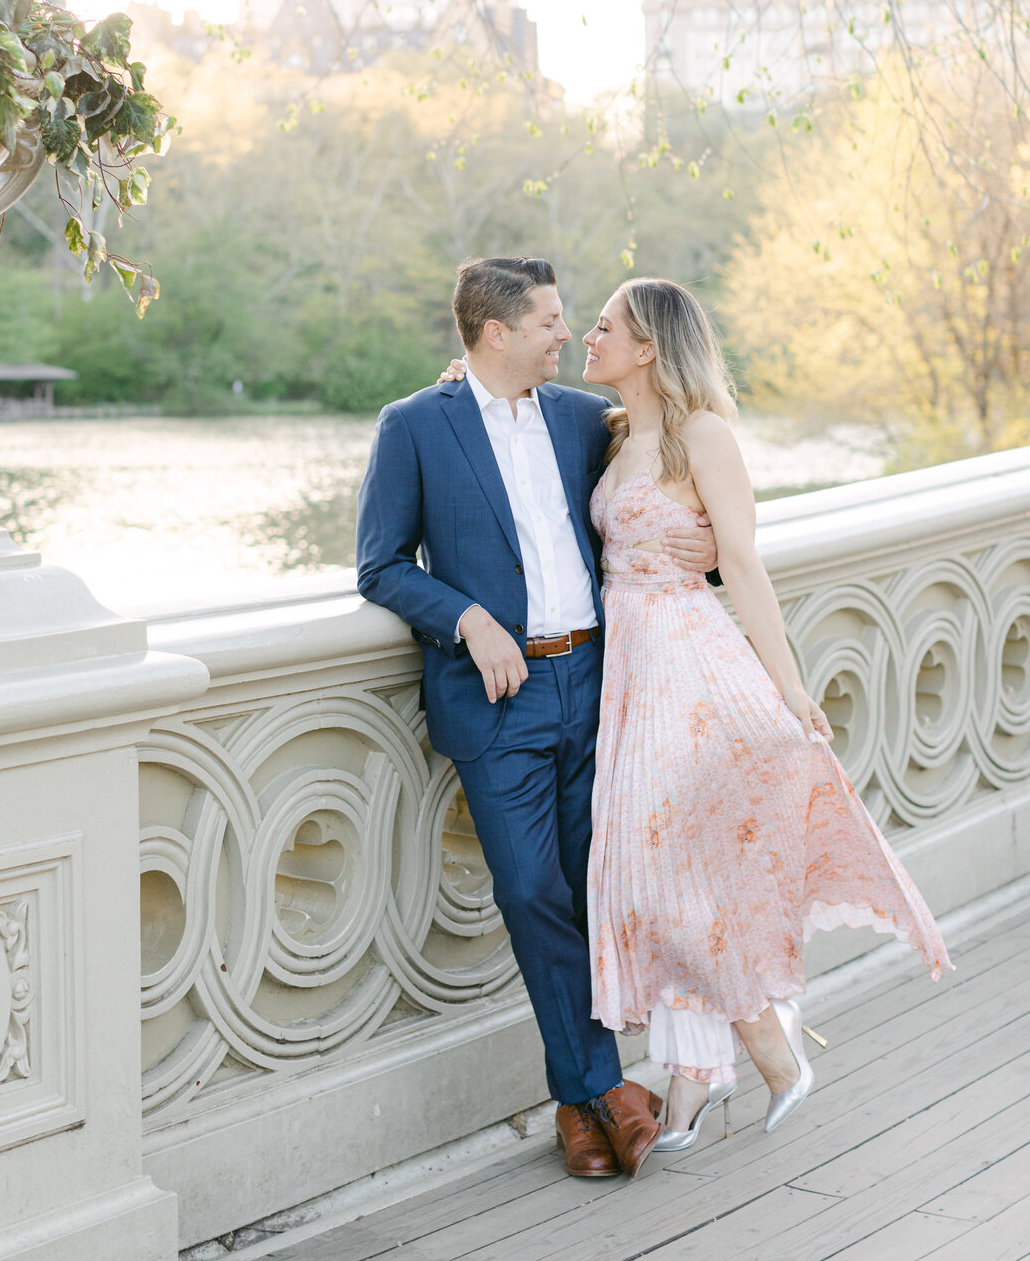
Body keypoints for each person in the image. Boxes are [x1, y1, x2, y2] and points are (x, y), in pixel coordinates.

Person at [355, 257, 718, 1180]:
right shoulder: (415, 427)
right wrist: (467, 619)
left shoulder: (581, 419)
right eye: (551, 321)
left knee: (601, 888)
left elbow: (670, 487)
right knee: (530, 892)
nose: (568, 335)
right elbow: (381, 565)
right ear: (496, 334)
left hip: (601, 683)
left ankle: (585, 1104)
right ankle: (605, 1089)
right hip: (498, 702)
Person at [581, 277, 951, 1149]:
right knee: (647, 874)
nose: (588, 338)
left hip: (690, 666)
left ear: (649, 347)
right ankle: (701, 1077)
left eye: (605, 327)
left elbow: (741, 564)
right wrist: (462, 378)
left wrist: (787, 685)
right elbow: (511, 401)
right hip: (628, 675)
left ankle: (764, 1058)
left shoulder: (702, 436)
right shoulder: (611, 432)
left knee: (676, 880)